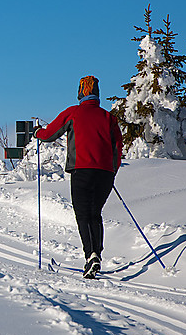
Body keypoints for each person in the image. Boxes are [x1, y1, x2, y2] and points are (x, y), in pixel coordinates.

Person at [34, 75, 123, 279]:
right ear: (97, 94)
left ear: (81, 92)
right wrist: (112, 170)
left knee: (83, 215)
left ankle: (90, 256)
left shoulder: (73, 113)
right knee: (95, 213)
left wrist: (37, 133)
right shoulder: (109, 118)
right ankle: (96, 254)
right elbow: (117, 147)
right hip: (105, 174)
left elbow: (49, 134)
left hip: (81, 170)